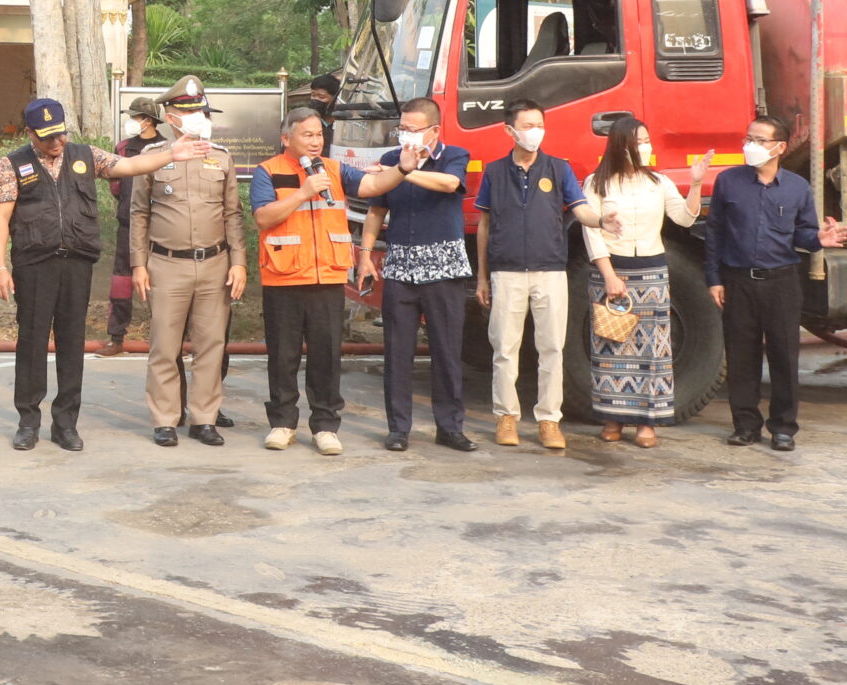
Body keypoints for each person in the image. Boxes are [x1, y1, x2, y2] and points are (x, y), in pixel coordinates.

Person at [0, 96, 200, 452]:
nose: (56, 142)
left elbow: (128, 166)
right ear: (30, 133)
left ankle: (66, 424)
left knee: (72, 343)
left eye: (60, 134)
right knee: (32, 343)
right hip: (34, 265)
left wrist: (171, 154)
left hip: (76, 263)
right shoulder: (12, 164)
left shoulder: (85, 155)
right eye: (47, 137)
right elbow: (1, 219)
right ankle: (28, 422)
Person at [706, 115, 847, 452]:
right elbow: (715, 233)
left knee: (784, 356)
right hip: (738, 281)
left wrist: (819, 239)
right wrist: (714, 279)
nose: (750, 146)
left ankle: (783, 428)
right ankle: (745, 425)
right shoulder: (728, 182)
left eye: (759, 140)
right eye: (748, 139)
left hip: (782, 282)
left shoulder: (797, 187)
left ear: (780, 147)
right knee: (742, 356)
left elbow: (803, 233)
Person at [473, 99, 607, 452]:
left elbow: (580, 210)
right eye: (528, 126)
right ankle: (506, 416)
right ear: (510, 130)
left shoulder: (558, 169)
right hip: (506, 271)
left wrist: (602, 220)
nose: (536, 132)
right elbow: (484, 224)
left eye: (539, 125)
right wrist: (482, 277)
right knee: (505, 349)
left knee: (551, 348)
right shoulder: (494, 172)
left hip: (550, 271)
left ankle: (549, 419)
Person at [126, 76, 247, 448]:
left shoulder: (221, 157)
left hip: (215, 264)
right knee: (164, 345)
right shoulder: (152, 157)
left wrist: (239, 262)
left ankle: (204, 419)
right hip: (166, 264)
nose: (196, 117)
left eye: (199, 110)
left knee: (211, 345)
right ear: (170, 117)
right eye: (187, 110)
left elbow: (233, 214)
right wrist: (138, 264)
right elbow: (139, 213)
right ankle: (165, 419)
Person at [355, 98, 474, 451]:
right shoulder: (391, 159)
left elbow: (449, 184)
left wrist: (405, 171)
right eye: (401, 128)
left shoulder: (454, 156)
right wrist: (365, 255)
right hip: (400, 268)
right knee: (397, 351)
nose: (404, 135)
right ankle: (398, 428)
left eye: (412, 129)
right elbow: (376, 212)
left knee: (446, 351)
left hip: (444, 268)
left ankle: (450, 427)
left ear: (434, 130)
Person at [584, 115, 703, 447]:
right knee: (611, 346)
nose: (645, 147)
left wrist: (695, 184)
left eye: (647, 141)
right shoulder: (597, 183)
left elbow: (684, 218)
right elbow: (591, 232)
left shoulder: (659, 182)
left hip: (651, 272)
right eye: (638, 142)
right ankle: (612, 419)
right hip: (611, 272)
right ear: (620, 146)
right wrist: (609, 276)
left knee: (652, 351)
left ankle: (647, 423)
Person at [250, 107, 358, 455]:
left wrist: (402, 168)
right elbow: (263, 218)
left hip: (327, 276)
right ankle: (283, 424)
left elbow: (372, 185)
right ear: (286, 138)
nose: (315, 141)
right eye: (307, 135)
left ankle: (325, 426)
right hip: (283, 277)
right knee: (283, 356)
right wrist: (303, 192)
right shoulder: (268, 171)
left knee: (327, 356)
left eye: (319, 135)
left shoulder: (335, 170)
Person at [105, 97, 165, 354]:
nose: (130, 121)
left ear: (147, 121)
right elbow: (115, 187)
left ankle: (172, 339)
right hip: (128, 226)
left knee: (164, 283)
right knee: (121, 282)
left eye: (134, 117)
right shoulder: (122, 148)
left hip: (161, 228)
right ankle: (116, 337)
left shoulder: (166, 148)